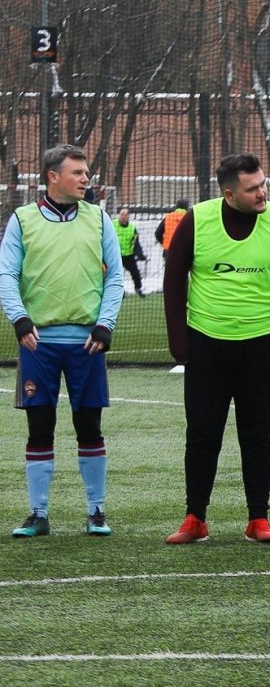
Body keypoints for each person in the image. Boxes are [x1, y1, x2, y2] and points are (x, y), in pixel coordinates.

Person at [163, 153, 270, 544]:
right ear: (229, 194)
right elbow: (173, 278)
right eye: (253, 188)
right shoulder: (197, 219)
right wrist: (179, 340)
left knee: (258, 434)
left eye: (263, 184)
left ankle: (258, 518)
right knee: (202, 434)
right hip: (206, 345)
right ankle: (195, 517)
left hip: (262, 345)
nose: (262, 192)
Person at [1, 145, 122, 537]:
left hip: (87, 343)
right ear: (54, 176)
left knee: (90, 425)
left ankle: (96, 511)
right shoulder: (22, 219)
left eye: (86, 172)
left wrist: (104, 324)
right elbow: (6, 276)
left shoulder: (99, 219)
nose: (86, 178)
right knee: (40, 428)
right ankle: (38, 514)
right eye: (78, 172)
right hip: (38, 344)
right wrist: (19, 319)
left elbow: (115, 278)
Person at [115, 207, 147, 296]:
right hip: (115, 256)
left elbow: (136, 244)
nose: (123, 217)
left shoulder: (132, 229)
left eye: (125, 215)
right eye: (121, 215)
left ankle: (138, 288)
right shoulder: (112, 224)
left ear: (128, 217)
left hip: (128, 255)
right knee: (115, 274)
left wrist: (140, 255)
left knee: (135, 273)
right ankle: (119, 291)